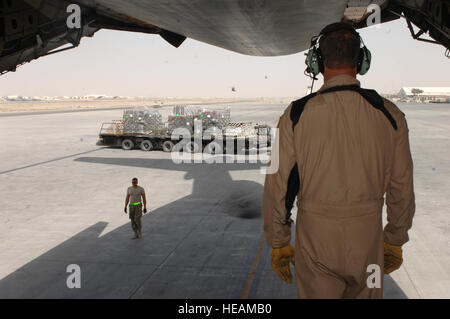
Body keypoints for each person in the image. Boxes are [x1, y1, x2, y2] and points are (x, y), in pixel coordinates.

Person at [263, 22, 415, 299]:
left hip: (316, 241)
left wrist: (278, 240)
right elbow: (401, 184)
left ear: (317, 62)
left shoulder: (295, 115)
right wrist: (394, 239)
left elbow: (277, 183)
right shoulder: (390, 114)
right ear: (361, 61)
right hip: (367, 240)